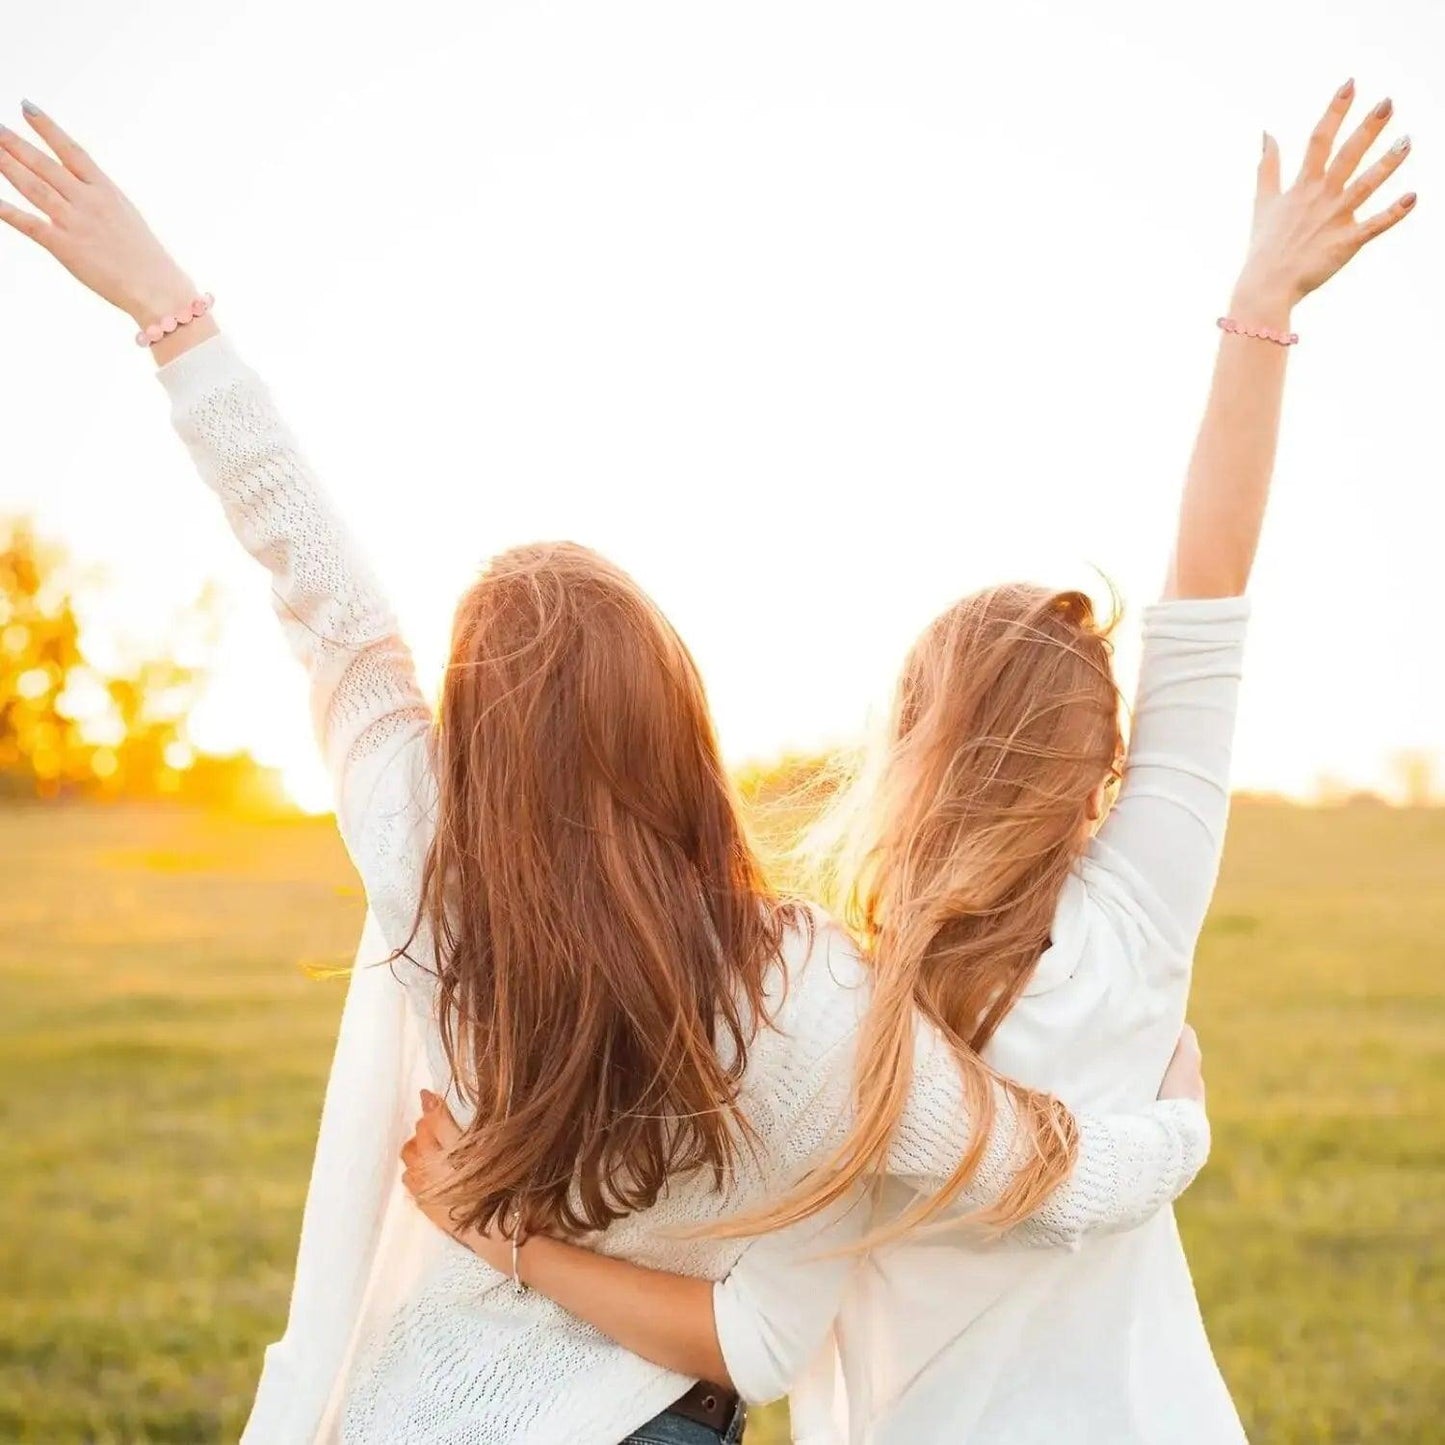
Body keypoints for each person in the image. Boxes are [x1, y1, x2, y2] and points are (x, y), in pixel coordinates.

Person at [0, 104, 1213, 1445]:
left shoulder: (427, 865)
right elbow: (1044, 1174)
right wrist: (1178, 1134)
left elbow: (318, 586)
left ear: (472, 743)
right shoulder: (802, 995)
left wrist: (172, 315)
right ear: (681, 730)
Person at [396, 79, 1415, 1443]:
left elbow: (755, 1331)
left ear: (906, 750)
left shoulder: (835, 1011)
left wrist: (497, 1227)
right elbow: (1208, 585)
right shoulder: (1131, 924)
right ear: (1099, 777)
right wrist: (1260, 307)